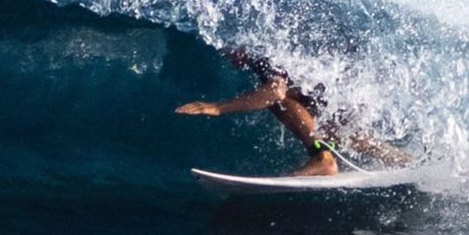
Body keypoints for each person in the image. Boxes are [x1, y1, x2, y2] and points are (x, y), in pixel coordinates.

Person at [176, 48, 410, 177]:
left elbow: (275, 92)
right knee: (340, 130)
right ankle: (402, 160)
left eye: (228, 49)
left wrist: (217, 107)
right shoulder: (277, 39)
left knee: (278, 101)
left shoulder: (261, 53)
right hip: (345, 90)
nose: (227, 55)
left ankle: (323, 159)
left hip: (335, 93)